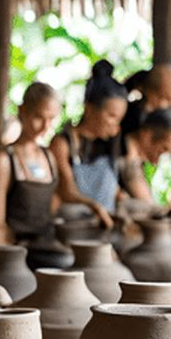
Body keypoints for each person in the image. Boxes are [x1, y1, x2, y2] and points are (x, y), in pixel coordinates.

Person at [49, 59, 128, 226]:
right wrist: (95, 207)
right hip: (73, 230)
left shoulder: (109, 146)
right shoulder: (62, 144)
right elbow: (66, 191)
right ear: (89, 108)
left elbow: (114, 192)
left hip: (105, 230)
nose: (115, 125)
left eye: (119, 119)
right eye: (111, 116)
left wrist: (122, 200)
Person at [0, 82, 61, 246]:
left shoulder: (49, 158)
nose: (45, 126)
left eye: (51, 119)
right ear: (22, 111)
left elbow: (53, 210)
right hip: (16, 249)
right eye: (39, 117)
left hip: (46, 245)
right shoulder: (3, 160)